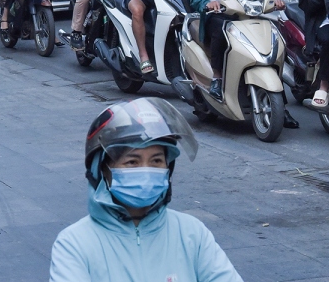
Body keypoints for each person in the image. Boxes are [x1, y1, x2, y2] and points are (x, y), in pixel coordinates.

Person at [49, 97, 241, 282]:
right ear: (101, 170)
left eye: (156, 161)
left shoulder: (192, 234)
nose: (146, 171)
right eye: (132, 162)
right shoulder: (75, 244)